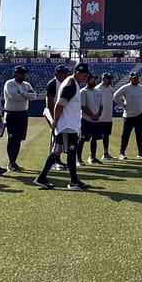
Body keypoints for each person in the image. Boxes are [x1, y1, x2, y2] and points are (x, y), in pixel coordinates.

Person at [34, 63, 91, 191]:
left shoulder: (72, 83)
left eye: (87, 76)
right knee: (71, 153)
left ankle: (42, 178)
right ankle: (74, 181)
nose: (85, 78)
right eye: (84, 75)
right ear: (77, 72)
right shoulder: (71, 84)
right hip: (67, 125)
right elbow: (60, 104)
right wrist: (55, 121)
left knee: (56, 151)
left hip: (68, 124)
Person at [2, 65, 36, 171]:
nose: (24, 75)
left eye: (25, 73)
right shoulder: (10, 83)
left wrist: (22, 93)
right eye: (22, 73)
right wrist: (26, 95)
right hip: (11, 114)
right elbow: (14, 96)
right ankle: (11, 162)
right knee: (12, 138)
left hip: (22, 114)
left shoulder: (26, 84)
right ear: (15, 74)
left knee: (19, 139)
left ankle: (14, 162)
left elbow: (34, 96)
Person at [39, 64, 71, 173]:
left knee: (60, 136)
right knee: (56, 136)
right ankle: (54, 161)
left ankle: (57, 160)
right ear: (57, 73)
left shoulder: (64, 83)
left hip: (60, 113)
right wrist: (54, 117)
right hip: (53, 113)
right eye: (63, 73)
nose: (65, 75)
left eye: (66, 73)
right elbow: (49, 101)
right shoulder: (53, 83)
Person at [114, 71, 142, 159]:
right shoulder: (126, 88)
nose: (136, 79)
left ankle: (140, 152)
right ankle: (122, 153)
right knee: (125, 135)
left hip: (140, 115)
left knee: (139, 134)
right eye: (134, 78)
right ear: (130, 79)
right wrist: (123, 105)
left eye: (137, 78)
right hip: (128, 116)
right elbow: (115, 96)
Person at [78, 73, 104, 164]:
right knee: (82, 139)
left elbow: (101, 105)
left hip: (96, 120)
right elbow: (83, 106)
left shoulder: (98, 92)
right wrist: (92, 115)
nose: (94, 81)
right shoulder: (83, 92)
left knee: (94, 138)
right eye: (92, 79)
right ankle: (79, 159)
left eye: (94, 79)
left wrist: (98, 115)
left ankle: (92, 157)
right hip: (86, 120)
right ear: (87, 80)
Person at [96, 72, 116, 160]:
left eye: (111, 79)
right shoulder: (97, 89)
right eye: (109, 79)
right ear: (103, 79)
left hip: (108, 117)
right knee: (95, 137)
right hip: (98, 118)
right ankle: (92, 155)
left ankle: (106, 154)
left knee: (106, 136)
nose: (110, 80)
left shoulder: (111, 89)